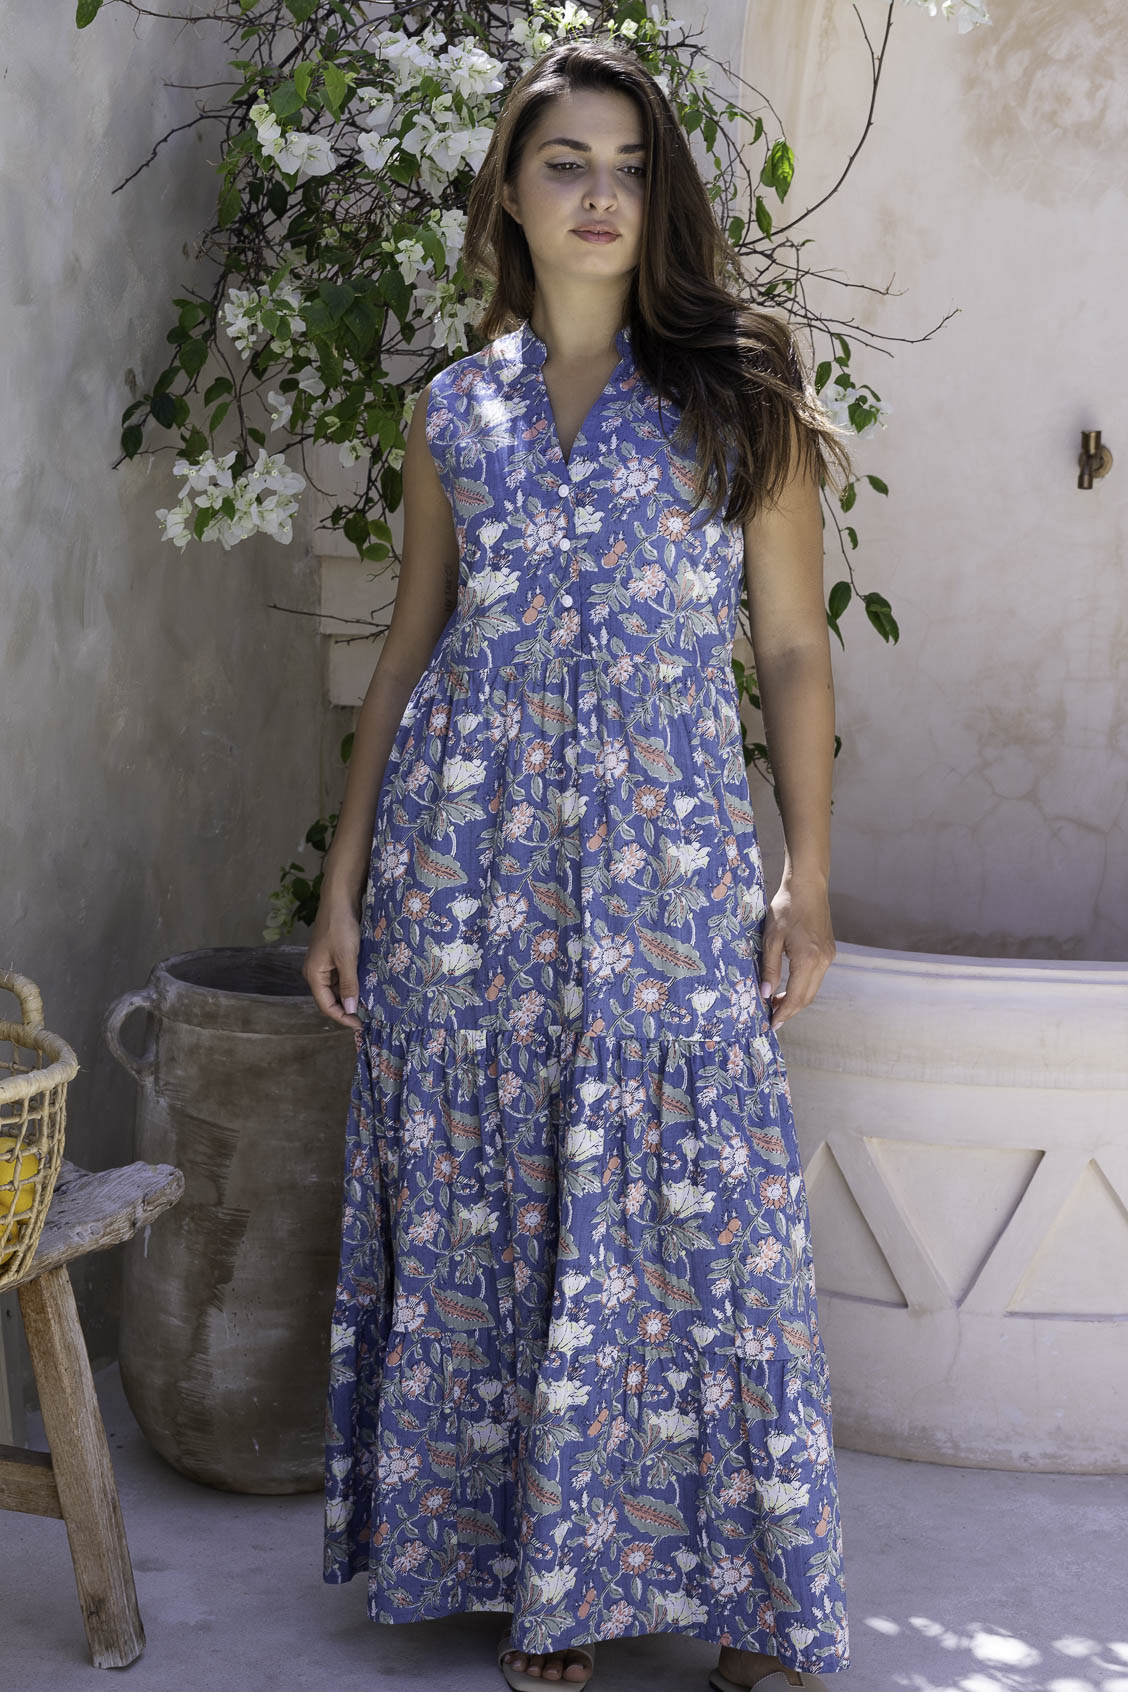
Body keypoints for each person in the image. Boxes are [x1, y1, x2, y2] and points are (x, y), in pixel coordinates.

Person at [308, 33, 853, 1692]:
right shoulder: (454, 412)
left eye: (627, 163)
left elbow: (796, 655)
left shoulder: (740, 390)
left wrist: (805, 870)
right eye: (566, 163)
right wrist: (342, 884)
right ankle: (551, 1580)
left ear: (661, 191)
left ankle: (754, 1594)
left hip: (668, 857)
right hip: (460, 870)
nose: (601, 191)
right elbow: (407, 652)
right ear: (512, 195)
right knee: (499, 1195)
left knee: (705, 1205)